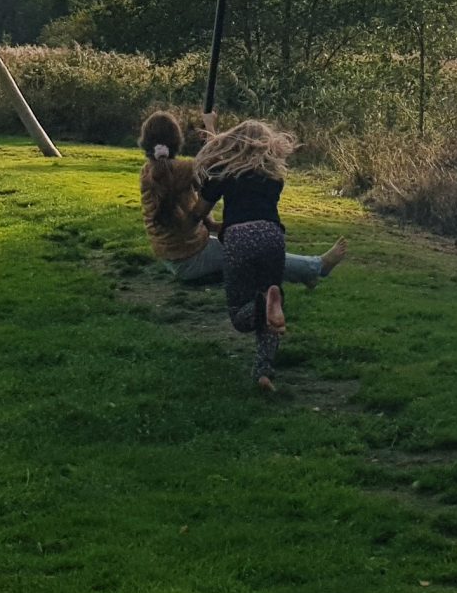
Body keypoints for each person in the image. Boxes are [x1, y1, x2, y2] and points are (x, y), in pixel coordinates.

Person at [191, 115, 326, 391]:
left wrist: (197, 215)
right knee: (271, 313)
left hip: (239, 239)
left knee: (240, 313)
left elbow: (199, 211)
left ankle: (264, 301)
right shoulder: (273, 177)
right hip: (272, 237)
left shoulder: (224, 172)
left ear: (233, 144)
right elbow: (251, 204)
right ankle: (264, 371)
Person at [138, 111, 343, 288]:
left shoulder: (148, 172)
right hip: (190, 258)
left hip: (174, 256)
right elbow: (216, 160)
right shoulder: (181, 170)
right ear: (176, 140)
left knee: (249, 248)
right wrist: (210, 125)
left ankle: (305, 273)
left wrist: (212, 225)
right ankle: (315, 267)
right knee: (254, 255)